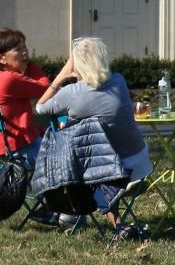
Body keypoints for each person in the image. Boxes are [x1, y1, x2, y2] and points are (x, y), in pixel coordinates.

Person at [33, 36, 153, 187]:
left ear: (76, 65)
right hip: (139, 163)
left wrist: (59, 78)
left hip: (107, 171)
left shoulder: (71, 93)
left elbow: (39, 108)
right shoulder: (119, 81)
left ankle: (94, 202)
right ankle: (113, 202)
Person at [0, 28, 49, 154]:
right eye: (18, 49)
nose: (24, 53)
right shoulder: (9, 79)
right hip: (22, 148)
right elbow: (45, 88)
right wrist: (31, 64)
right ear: (2, 59)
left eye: (24, 48)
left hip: (8, 148)